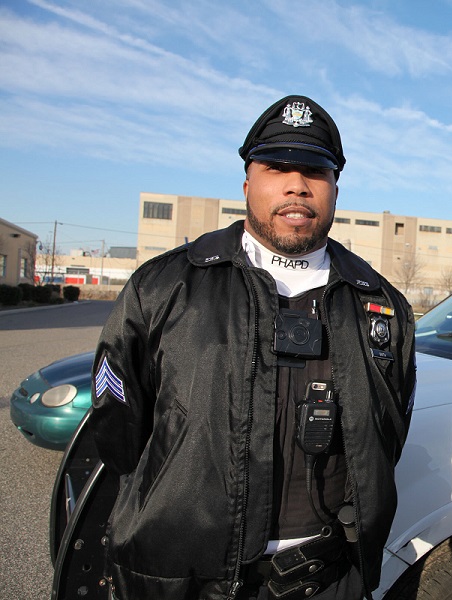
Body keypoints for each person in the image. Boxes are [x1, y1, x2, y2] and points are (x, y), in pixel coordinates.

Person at [88, 95, 416, 599]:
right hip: (186, 578)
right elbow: (119, 435)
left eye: (315, 170)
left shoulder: (381, 305)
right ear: (247, 184)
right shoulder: (163, 288)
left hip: (328, 576)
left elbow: (387, 437)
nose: (296, 184)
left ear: (333, 188)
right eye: (277, 167)